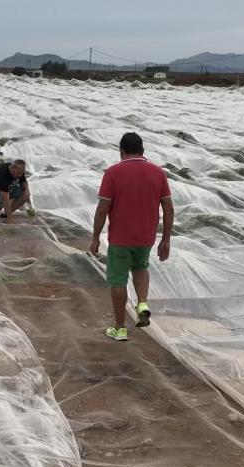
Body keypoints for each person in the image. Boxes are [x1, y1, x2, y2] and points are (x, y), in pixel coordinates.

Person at [89, 132, 174, 341]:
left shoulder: (113, 172)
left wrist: (95, 238)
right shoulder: (158, 173)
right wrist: (166, 239)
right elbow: (169, 208)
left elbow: (102, 209)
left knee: (118, 279)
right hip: (146, 236)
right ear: (143, 151)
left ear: (121, 151)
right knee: (140, 268)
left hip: (120, 237)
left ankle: (119, 328)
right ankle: (142, 302)